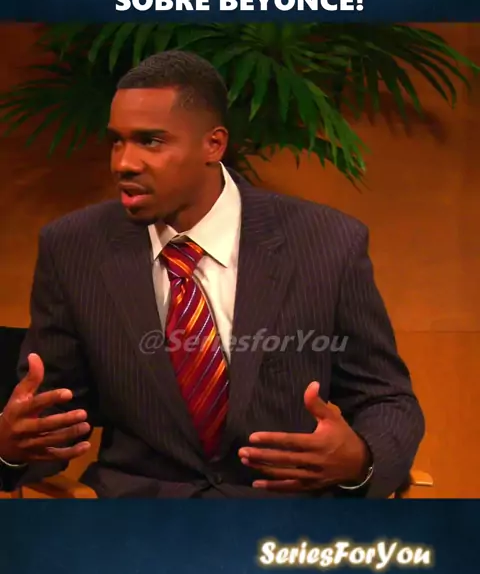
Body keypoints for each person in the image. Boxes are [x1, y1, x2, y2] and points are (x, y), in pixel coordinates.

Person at [0, 50, 424, 498]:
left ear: (214, 144)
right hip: (139, 520)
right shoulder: (74, 248)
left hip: (283, 515)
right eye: (117, 141)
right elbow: (53, 417)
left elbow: (387, 399)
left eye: (150, 141)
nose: (123, 163)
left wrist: (360, 460)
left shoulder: (327, 243)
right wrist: (10, 446)